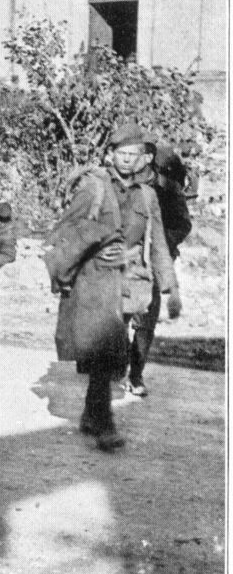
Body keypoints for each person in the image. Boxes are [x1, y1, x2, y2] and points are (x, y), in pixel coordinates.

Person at [47, 124, 178, 452]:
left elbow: (158, 241)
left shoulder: (148, 196)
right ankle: (104, 425)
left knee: (110, 356)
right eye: (121, 153)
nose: (126, 160)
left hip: (129, 281)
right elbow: (66, 229)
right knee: (108, 350)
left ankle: (92, 416)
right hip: (95, 280)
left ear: (141, 159)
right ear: (110, 154)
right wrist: (63, 274)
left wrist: (171, 287)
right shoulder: (94, 188)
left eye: (133, 155)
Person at [125, 132, 193, 396]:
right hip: (123, 255)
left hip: (152, 260)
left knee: (145, 319)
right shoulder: (122, 181)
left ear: (150, 159)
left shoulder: (168, 187)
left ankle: (136, 375)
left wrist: (159, 242)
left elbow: (184, 224)